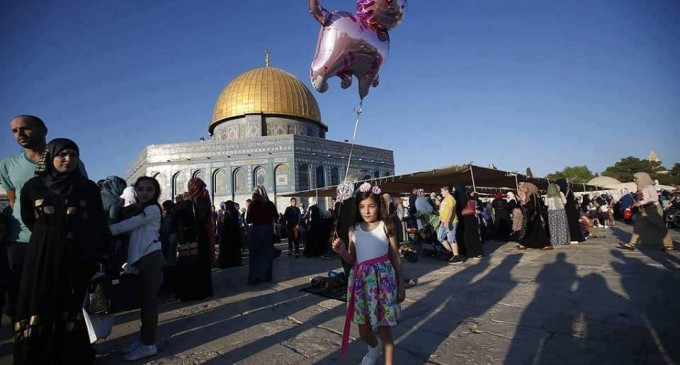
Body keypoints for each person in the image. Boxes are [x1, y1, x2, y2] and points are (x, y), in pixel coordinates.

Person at [14, 138, 107, 364]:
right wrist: (49, 236)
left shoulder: (87, 188)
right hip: (41, 256)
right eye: (62, 155)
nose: (68, 159)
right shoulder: (34, 186)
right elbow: (28, 218)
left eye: (73, 155)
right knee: (39, 304)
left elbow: (97, 224)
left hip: (74, 257)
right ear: (51, 157)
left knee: (69, 306)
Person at [0, 115, 87, 323]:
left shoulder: (66, 159)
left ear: (43, 130)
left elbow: (81, 196)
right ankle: (25, 347)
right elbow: (14, 201)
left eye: (25, 128)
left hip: (58, 240)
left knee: (57, 297)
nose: (19, 134)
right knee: (20, 300)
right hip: (20, 241)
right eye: (14, 130)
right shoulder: (8, 164)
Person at [331, 182, 405, 365]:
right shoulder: (353, 230)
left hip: (384, 283)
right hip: (361, 283)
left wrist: (401, 283)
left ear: (378, 206)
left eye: (371, 206)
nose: (367, 211)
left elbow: (395, 256)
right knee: (363, 330)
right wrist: (340, 252)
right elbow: (351, 259)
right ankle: (374, 348)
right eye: (362, 207)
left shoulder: (386, 226)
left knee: (384, 330)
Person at [108, 176, 164, 361]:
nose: (145, 193)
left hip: (151, 259)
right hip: (142, 259)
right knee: (144, 303)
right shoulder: (139, 209)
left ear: (156, 192)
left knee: (149, 304)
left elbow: (130, 224)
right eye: (141, 189)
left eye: (149, 189)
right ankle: (143, 340)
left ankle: (149, 344)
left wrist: (105, 230)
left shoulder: (153, 209)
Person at [173, 178, 214, 300]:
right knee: (200, 262)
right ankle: (203, 290)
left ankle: (190, 292)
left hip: (189, 236)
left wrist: (179, 204)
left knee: (190, 262)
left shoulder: (189, 200)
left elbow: (178, 217)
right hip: (201, 234)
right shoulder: (204, 196)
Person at [619, 172, 674, 251]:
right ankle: (631, 244)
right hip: (644, 209)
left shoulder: (649, 187)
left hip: (653, 209)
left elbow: (655, 198)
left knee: (661, 227)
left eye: (636, 178)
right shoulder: (640, 188)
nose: (634, 180)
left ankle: (669, 245)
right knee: (638, 226)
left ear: (643, 178)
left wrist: (640, 202)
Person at [246, 185, 278, 284]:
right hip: (268, 231)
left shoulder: (253, 205)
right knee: (267, 254)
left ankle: (254, 276)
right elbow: (276, 217)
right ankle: (266, 276)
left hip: (256, 231)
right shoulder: (270, 204)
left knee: (255, 254)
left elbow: (248, 220)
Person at [516, 182, 550, 250]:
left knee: (534, 231)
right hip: (532, 216)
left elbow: (531, 206)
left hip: (532, 216)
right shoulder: (531, 195)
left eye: (525, 188)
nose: (524, 189)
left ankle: (545, 245)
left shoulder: (532, 195)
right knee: (531, 231)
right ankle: (524, 243)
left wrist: (523, 203)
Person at [555, 179, 585, 243]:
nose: (557, 187)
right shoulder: (568, 190)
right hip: (571, 211)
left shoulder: (563, 191)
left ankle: (573, 238)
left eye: (557, 185)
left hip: (568, 211)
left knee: (570, 224)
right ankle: (574, 237)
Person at [438, 186, 462, 263]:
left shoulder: (451, 198)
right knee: (440, 237)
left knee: (451, 238)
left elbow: (451, 211)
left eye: (442, 191)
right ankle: (451, 252)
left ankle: (456, 256)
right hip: (443, 221)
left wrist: (447, 221)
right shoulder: (444, 199)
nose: (441, 193)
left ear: (447, 191)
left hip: (450, 222)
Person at [218, 200, 242, 268]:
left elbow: (223, 222)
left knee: (228, 248)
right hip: (235, 232)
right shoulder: (236, 212)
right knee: (235, 248)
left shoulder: (227, 213)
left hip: (227, 233)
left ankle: (227, 263)